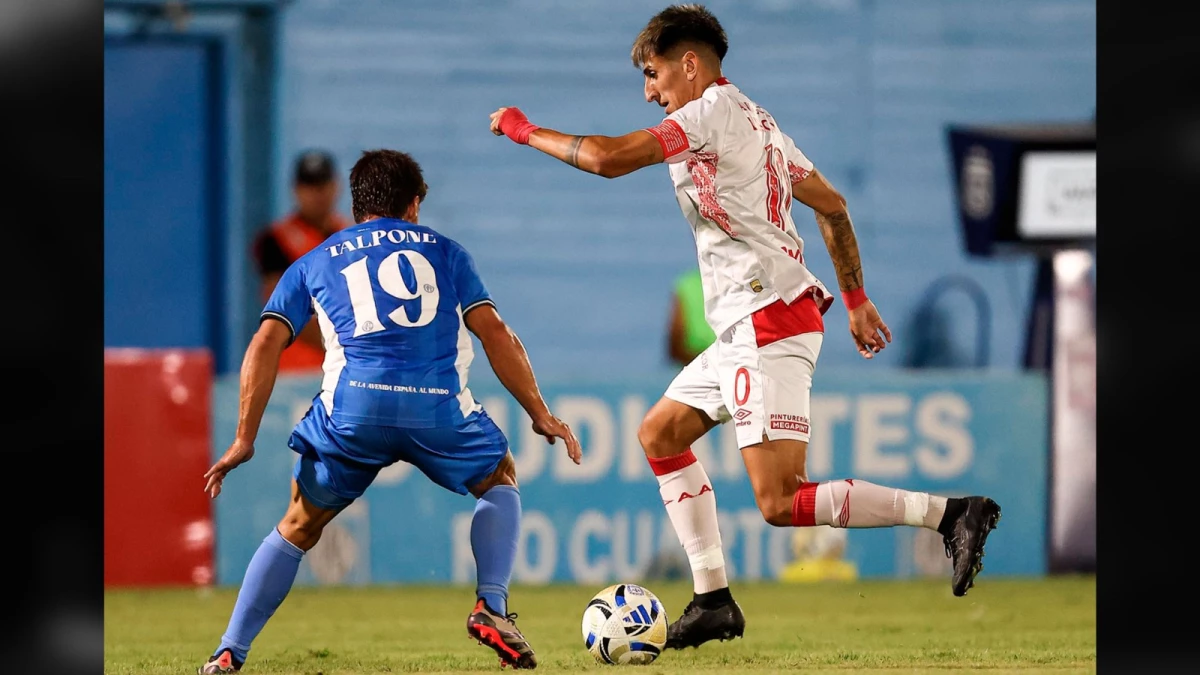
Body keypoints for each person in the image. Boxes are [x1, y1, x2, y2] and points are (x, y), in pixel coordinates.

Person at [488, 3, 1000, 651]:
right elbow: (833, 206)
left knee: (780, 501)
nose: (649, 92)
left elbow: (607, 158)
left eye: (652, 74)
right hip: (746, 324)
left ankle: (951, 514)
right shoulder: (761, 124)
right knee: (660, 433)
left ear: (689, 65)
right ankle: (712, 600)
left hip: (768, 321)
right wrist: (855, 298)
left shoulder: (707, 114)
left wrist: (524, 129)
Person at [197, 149, 580, 673]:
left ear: (357, 204)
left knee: (297, 524)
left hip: (354, 410)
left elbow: (266, 341)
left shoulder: (315, 259)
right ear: (413, 204)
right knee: (499, 478)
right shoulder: (448, 253)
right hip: (435, 409)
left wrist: (245, 437)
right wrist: (539, 410)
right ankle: (491, 606)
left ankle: (229, 650)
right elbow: (495, 332)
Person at [253, 150, 352, 372]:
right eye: (309, 186)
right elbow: (283, 307)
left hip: (344, 369)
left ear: (336, 186)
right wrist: (344, 344)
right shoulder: (275, 241)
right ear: (296, 190)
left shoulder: (352, 238)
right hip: (295, 370)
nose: (317, 194)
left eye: (323, 184)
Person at [667, 267, 717, 367]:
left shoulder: (686, 284)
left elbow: (675, 346)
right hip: (735, 366)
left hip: (695, 366)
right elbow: (675, 347)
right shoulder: (740, 282)